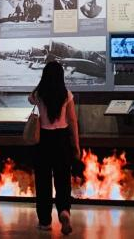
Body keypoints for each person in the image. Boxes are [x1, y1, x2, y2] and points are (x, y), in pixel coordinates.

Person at [28, 61, 80, 234]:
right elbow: (72, 120)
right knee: (63, 179)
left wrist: (41, 85)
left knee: (43, 181)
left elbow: (29, 98)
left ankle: (45, 221)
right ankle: (64, 211)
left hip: (43, 140)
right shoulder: (67, 95)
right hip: (62, 139)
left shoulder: (38, 94)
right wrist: (76, 144)